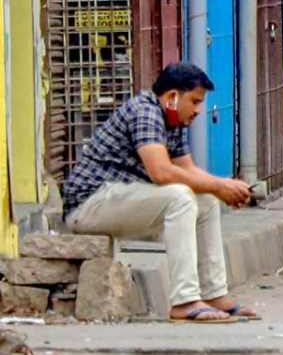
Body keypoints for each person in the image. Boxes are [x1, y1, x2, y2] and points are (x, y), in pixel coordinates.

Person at [62, 63, 259, 323]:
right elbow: (161, 173)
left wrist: (223, 188)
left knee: (206, 201)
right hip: (89, 207)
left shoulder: (173, 120)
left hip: (119, 200)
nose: (199, 110)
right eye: (195, 101)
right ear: (172, 97)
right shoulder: (145, 111)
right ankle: (185, 301)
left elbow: (187, 170)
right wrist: (219, 185)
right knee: (180, 197)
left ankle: (214, 295)